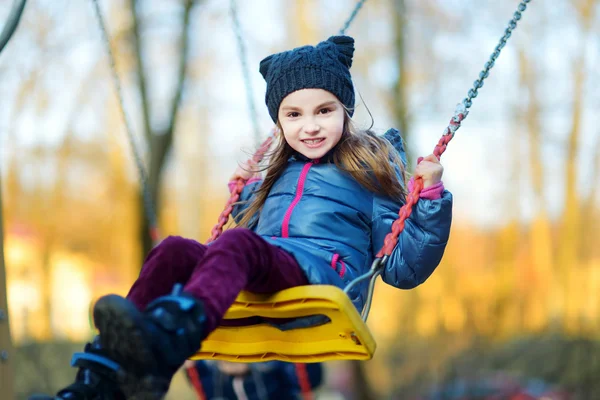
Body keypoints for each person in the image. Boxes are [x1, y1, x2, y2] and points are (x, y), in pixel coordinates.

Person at [32, 34, 452, 400]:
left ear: (345, 110)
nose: (310, 126)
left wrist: (430, 197)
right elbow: (252, 243)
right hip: (269, 276)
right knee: (175, 250)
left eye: (324, 110)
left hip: (324, 283)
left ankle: (170, 337)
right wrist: (244, 198)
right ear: (279, 121)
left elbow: (403, 267)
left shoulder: (371, 170)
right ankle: (104, 375)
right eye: (294, 114)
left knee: (236, 245)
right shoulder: (274, 175)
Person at [185, 360, 323, 399]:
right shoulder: (217, 385)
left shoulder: (273, 374)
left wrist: (303, 359)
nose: (230, 361)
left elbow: (309, 380)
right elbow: (199, 379)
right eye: (224, 359)